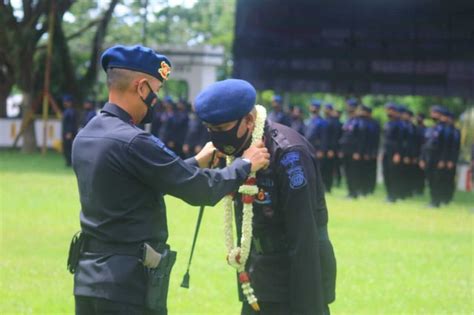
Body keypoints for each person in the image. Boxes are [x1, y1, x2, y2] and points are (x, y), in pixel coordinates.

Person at [70, 45, 270, 315]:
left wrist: (196, 162)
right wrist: (246, 164)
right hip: (127, 286)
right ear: (142, 88)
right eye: (156, 89)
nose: (156, 99)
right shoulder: (134, 140)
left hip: (88, 280)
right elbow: (202, 190)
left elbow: (138, 184)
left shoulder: (87, 134)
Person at [194, 79, 337, 315]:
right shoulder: (240, 151)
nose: (216, 137)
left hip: (296, 276)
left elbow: (304, 236)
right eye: (210, 129)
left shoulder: (288, 154)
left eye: (221, 130)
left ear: (249, 121)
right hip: (260, 274)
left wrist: (307, 305)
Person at [419, 105, 447, 208]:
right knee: (430, 180)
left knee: (437, 180)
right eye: (432, 113)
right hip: (428, 158)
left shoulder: (444, 129)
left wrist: (443, 160)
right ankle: (432, 200)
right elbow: (424, 144)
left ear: (440, 115)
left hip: (437, 158)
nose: (432, 115)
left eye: (435, 113)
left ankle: (436, 201)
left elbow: (446, 146)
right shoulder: (431, 128)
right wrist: (422, 158)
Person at [339, 98, 362, 198]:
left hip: (354, 151)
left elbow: (360, 138)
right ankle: (350, 191)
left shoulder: (358, 121)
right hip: (345, 150)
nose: (349, 108)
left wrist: (358, 151)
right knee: (347, 171)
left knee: (354, 172)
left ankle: (354, 192)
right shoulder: (348, 120)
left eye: (351, 107)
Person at [305, 100, 330, 191]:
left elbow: (324, 138)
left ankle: (320, 188)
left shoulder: (322, 122)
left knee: (318, 170)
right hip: (308, 148)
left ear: (318, 109)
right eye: (312, 106)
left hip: (317, 149)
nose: (313, 108)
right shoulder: (308, 120)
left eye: (315, 107)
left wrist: (322, 150)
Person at [62, 94, 78, 167]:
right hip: (66, 132)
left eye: (66, 101)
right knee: (66, 147)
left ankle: (70, 162)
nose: (64, 103)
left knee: (69, 147)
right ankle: (68, 162)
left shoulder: (70, 111)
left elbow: (70, 123)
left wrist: (69, 132)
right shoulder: (67, 110)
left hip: (69, 133)